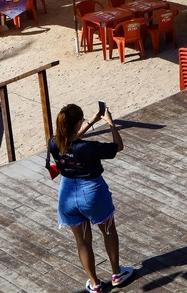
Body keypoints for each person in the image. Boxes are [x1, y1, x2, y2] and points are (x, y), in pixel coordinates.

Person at [50, 103, 133, 292]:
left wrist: (91, 122)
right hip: (91, 191)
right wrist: (110, 123)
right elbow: (118, 146)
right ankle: (117, 274)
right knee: (108, 230)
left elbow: (71, 141)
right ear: (77, 122)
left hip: (67, 194)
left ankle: (95, 284)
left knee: (83, 241)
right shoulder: (88, 147)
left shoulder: (53, 143)